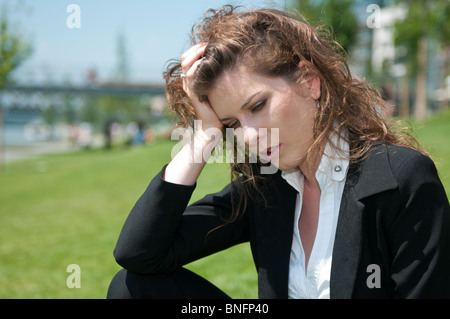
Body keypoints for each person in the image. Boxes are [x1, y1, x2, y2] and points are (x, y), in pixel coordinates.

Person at [107, 5, 450, 299]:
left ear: (309, 81)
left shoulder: (401, 179)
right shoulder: (264, 187)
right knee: (132, 288)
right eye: (233, 123)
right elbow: (140, 254)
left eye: (258, 105)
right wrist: (205, 135)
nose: (251, 136)